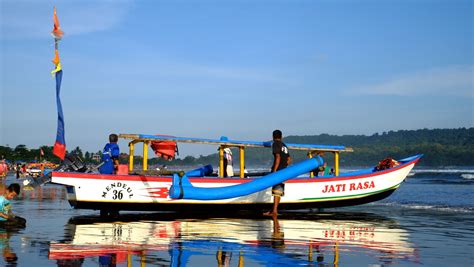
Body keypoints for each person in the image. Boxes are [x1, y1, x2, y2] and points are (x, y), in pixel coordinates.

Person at [264, 130, 291, 216]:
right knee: (278, 191)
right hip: (284, 170)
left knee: (276, 190)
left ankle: (274, 211)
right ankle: (273, 210)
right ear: (281, 136)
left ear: (273, 137)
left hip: (278, 170)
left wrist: (275, 170)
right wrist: (284, 167)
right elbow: (289, 159)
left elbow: (278, 157)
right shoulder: (284, 145)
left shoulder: (276, 144)